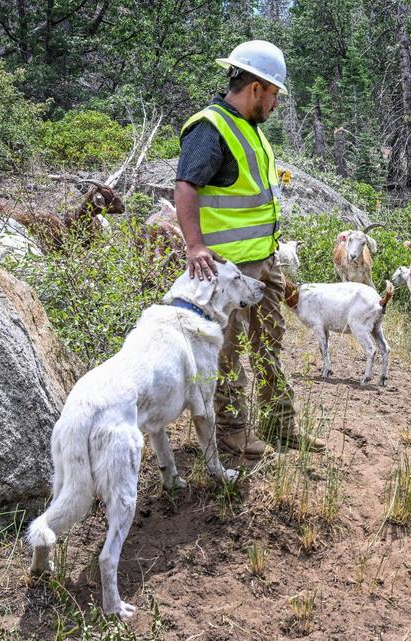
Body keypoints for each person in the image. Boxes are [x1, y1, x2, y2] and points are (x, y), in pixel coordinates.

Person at [174, 40, 320, 460]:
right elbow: (186, 186)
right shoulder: (210, 127)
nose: (276, 103)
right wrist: (195, 245)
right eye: (274, 94)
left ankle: (280, 424)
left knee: (269, 344)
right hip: (227, 271)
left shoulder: (252, 131)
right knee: (226, 352)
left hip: (264, 262)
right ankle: (233, 433)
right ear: (256, 88)